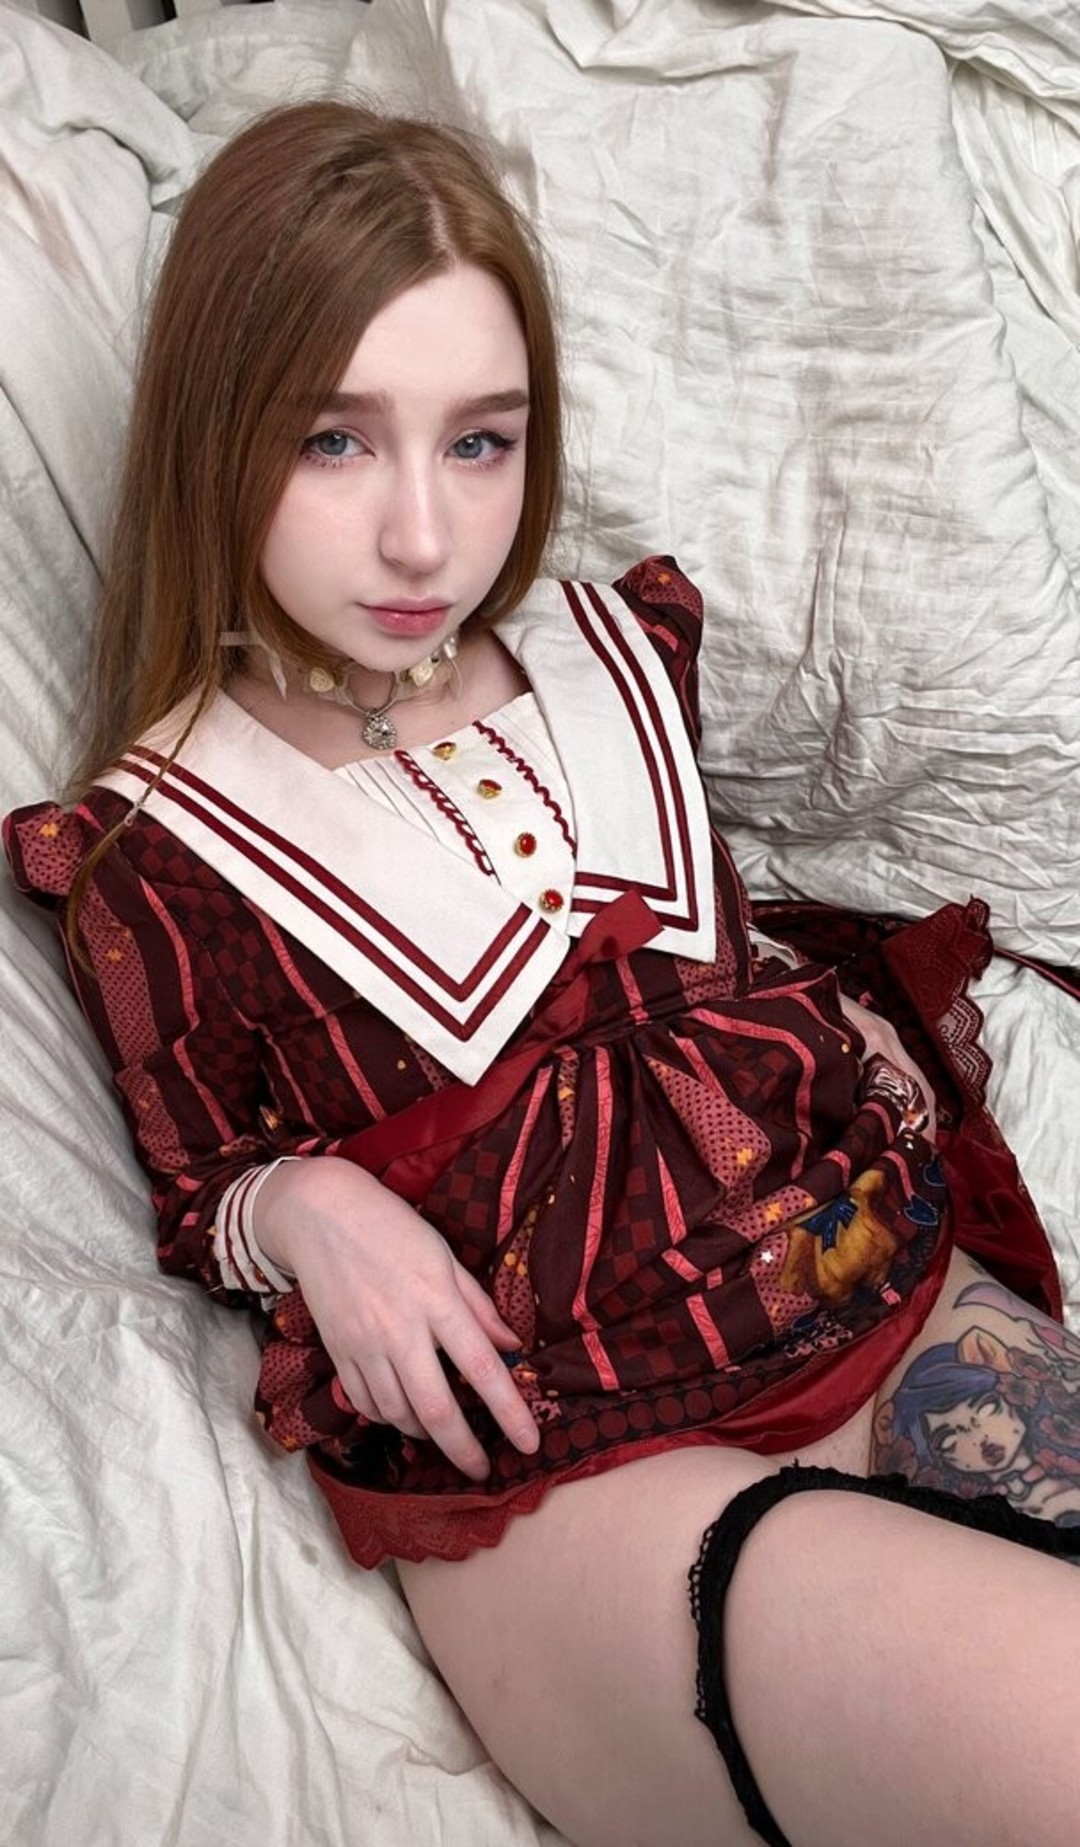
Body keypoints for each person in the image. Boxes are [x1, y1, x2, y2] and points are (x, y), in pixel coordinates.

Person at [5, 99, 1080, 1847]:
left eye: (481, 441)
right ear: (219, 427)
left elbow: (683, 980)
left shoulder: (616, 646)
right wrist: (307, 1208)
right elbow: (201, 1182)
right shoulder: (160, 845)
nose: (425, 539)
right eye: (336, 441)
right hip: (575, 1474)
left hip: (859, 1283)